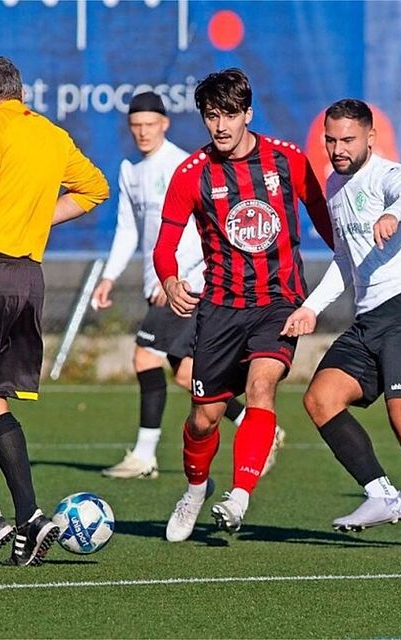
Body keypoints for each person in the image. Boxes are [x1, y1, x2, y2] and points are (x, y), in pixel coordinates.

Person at [0, 56, 109, 567]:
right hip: (27, 279)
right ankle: (29, 517)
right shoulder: (50, 135)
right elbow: (94, 189)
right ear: (20, 92)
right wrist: (35, 217)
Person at [153, 68, 334, 542]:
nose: (221, 126)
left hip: (278, 303)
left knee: (262, 386)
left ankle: (239, 495)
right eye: (212, 116)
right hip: (219, 309)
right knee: (203, 418)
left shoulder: (287, 160)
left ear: (248, 114)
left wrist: (362, 273)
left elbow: (331, 227)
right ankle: (195, 489)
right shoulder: (192, 175)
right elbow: (164, 244)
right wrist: (170, 280)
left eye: (230, 114)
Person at [282, 99, 401, 551]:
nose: (338, 149)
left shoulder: (389, 175)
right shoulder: (333, 184)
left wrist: (392, 214)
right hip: (370, 316)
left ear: (369, 138)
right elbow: (346, 260)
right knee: (321, 399)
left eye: (347, 140)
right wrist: (312, 308)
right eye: (331, 140)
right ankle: (382, 495)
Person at [95, 92, 283, 480]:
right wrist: (109, 276)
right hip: (163, 282)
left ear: (165, 124)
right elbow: (128, 230)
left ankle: (145, 455)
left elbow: (203, 232)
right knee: (186, 375)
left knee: (145, 357)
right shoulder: (131, 171)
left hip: (186, 285)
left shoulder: (183, 165)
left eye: (150, 125)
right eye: (136, 126)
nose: (143, 132)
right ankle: (258, 425)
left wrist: (177, 278)